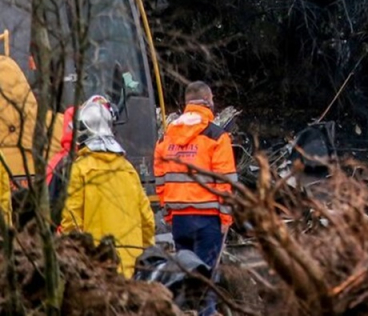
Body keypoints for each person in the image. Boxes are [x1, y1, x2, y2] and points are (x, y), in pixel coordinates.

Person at [154, 81, 236, 316]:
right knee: (206, 281)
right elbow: (226, 181)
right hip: (208, 220)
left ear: (186, 103)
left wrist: (168, 212)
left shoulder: (165, 138)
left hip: (180, 220)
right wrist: (226, 217)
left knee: (185, 278)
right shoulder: (217, 136)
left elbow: (160, 179)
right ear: (208, 101)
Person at [59, 96, 155, 277]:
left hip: (97, 268)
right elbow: (147, 220)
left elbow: (71, 223)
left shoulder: (80, 170)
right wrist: (144, 253)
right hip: (132, 267)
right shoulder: (127, 169)